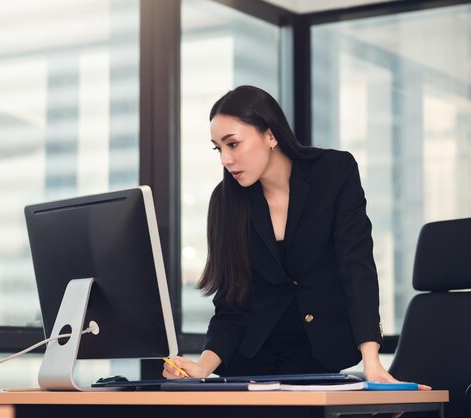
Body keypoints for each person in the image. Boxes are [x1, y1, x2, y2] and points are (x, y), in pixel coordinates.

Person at [163, 85, 429, 389]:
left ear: (271, 135)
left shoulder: (335, 172)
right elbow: (231, 304)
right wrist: (202, 367)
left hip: (320, 359)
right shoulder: (226, 201)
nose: (225, 159)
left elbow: (356, 267)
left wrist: (372, 362)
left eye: (233, 144)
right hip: (252, 364)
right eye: (218, 148)